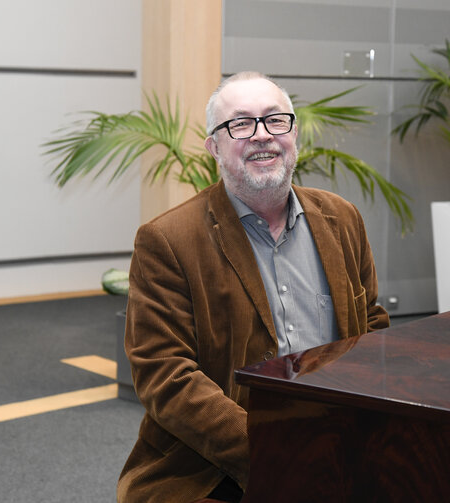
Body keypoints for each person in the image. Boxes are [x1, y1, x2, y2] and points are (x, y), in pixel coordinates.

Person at [117, 71, 390, 503]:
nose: (262, 136)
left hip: (341, 440)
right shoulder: (168, 241)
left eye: (275, 120)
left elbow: (373, 326)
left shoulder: (343, 220)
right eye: (240, 124)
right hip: (214, 463)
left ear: (293, 134)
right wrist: (278, 452)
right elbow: (165, 375)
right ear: (214, 147)